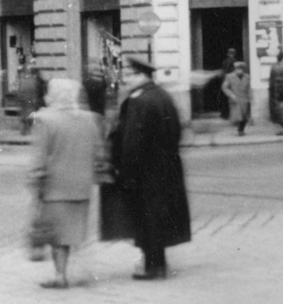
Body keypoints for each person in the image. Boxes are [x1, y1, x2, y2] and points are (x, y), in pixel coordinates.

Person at [111, 54, 191, 280]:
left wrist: (125, 171)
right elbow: (176, 131)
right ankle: (158, 263)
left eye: (127, 75)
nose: (124, 80)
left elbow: (132, 141)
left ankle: (152, 267)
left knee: (146, 218)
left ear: (140, 75)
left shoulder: (139, 101)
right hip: (166, 168)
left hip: (144, 171)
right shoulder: (163, 96)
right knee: (158, 215)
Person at [30, 77, 103, 289]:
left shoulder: (44, 119)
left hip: (55, 186)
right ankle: (80, 271)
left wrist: (35, 181)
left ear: (53, 96)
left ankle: (60, 276)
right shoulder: (91, 119)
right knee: (74, 230)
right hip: (81, 185)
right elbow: (98, 152)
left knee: (57, 235)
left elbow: (39, 158)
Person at [221, 61, 251, 136]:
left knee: (244, 117)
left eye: (241, 69)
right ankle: (239, 129)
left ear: (243, 69)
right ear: (235, 69)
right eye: (237, 68)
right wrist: (231, 95)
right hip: (235, 99)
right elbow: (224, 87)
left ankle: (241, 130)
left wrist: (250, 98)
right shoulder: (229, 76)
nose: (239, 70)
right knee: (237, 117)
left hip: (244, 99)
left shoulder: (247, 77)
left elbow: (249, 88)